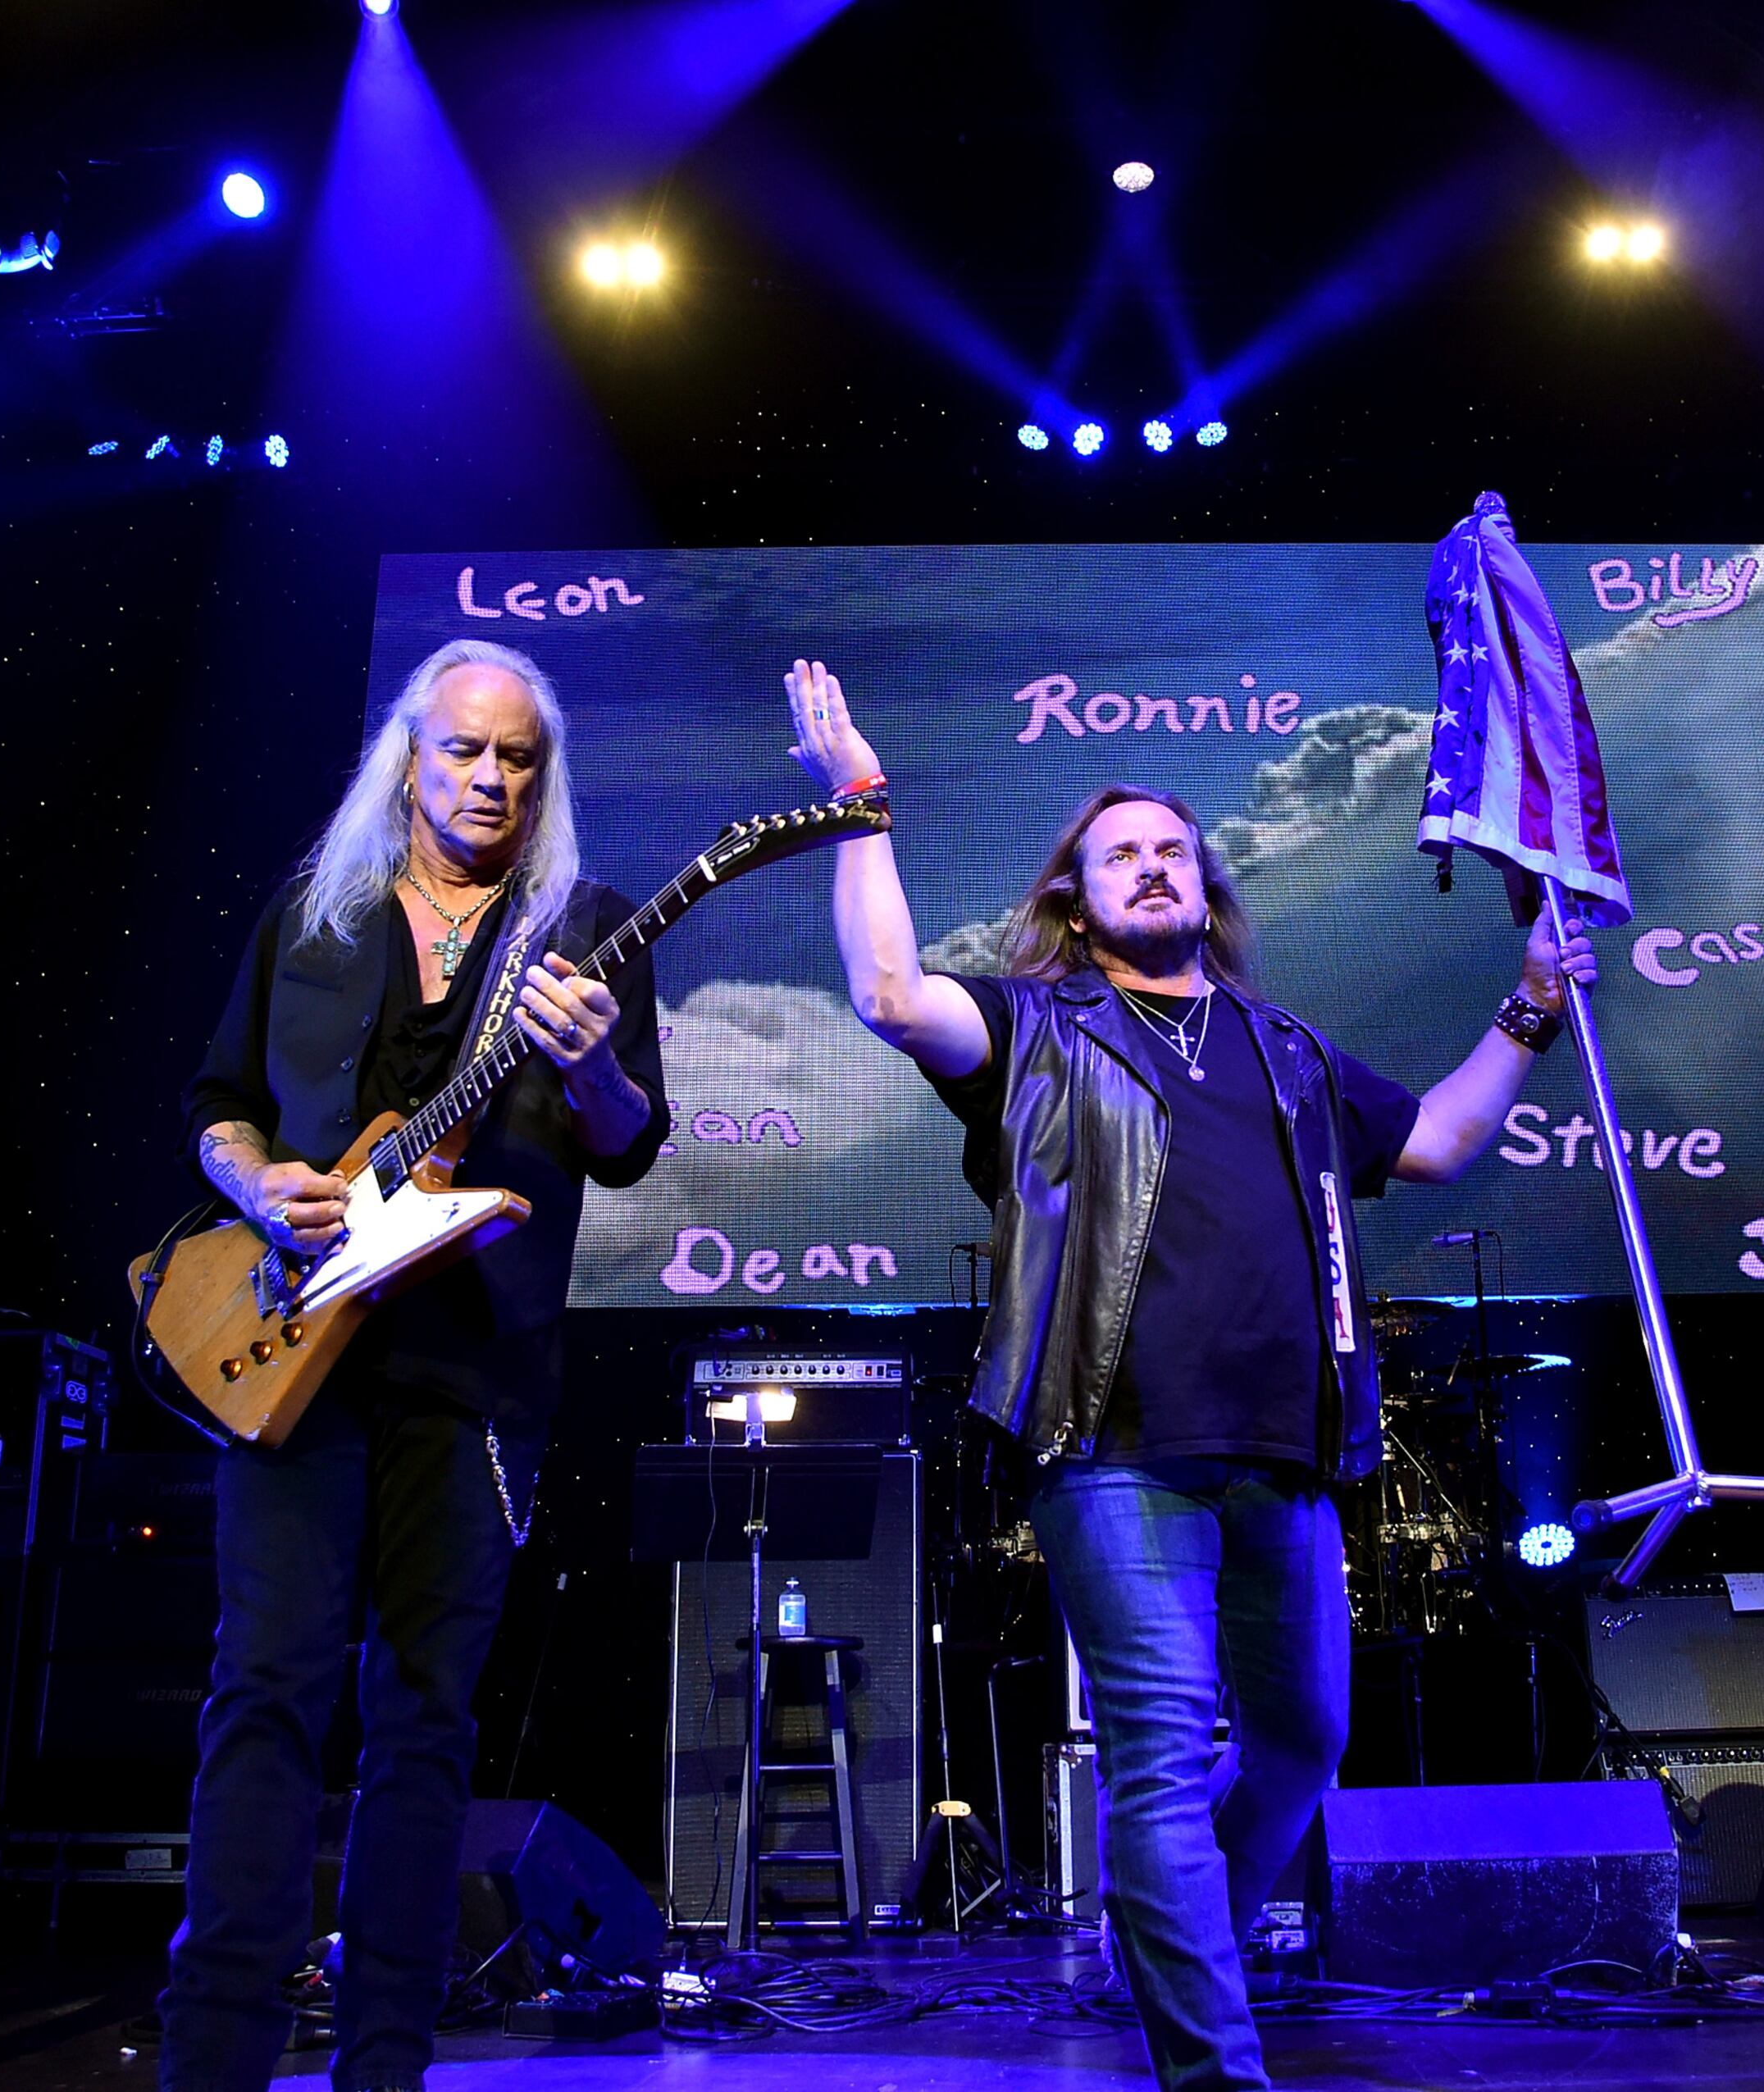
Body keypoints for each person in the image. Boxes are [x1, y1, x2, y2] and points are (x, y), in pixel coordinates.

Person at [779, 657, 1595, 2092]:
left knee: (1301, 1742)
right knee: (1159, 1753)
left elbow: (1446, 1141)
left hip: (1288, 1456)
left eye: (1172, 849)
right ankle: (1216, 2071)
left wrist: (1529, 1006)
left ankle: (1173, 1939)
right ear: (1073, 901)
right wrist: (861, 804)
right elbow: (894, 994)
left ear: (1204, 884)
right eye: (1120, 855)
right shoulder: (1039, 1033)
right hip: (1115, 1451)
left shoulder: (1286, 1050)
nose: (1152, 869)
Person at [160, 639, 670, 2092]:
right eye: (467, 750)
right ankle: (213, 2061)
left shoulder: (586, 927)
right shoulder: (312, 919)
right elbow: (216, 1103)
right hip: (292, 1350)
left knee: (424, 1719)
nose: (493, 778)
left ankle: (386, 2063)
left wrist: (590, 1069)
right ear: (411, 754)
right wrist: (259, 1185)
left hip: (476, 1373)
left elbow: (631, 1144)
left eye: (520, 758)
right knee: (264, 1691)